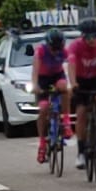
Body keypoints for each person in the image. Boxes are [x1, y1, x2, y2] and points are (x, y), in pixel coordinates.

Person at [64, 17, 96, 164]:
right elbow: (71, 65)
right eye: (88, 37)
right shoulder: (75, 46)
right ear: (83, 37)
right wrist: (73, 83)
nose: (91, 40)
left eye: (95, 36)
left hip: (95, 78)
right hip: (80, 80)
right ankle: (81, 152)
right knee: (81, 114)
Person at [31, 28, 70, 164]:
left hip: (57, 76)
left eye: (59, 48)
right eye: (54, 48)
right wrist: (35, 86)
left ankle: (65, 121)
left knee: (65, 88)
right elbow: (35, 71)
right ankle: (42, 142)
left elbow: (70, 66)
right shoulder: (40, 52)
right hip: (43, 79)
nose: (56, 51)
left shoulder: (64, 52)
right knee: (43, 109)